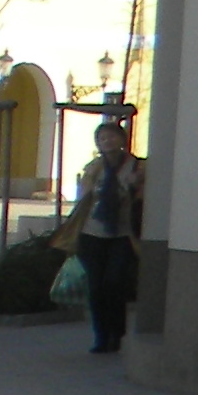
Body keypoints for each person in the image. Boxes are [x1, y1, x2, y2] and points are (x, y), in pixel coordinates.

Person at [68, 112, 146, 357]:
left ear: (122, 140)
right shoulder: (94, 168)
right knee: (96, 287)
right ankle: (101, 336)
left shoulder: (137, 166)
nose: (107, 141)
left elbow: (143, 198)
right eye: (102, 138)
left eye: (111, 137)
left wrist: (134, 185)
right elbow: (83, 200)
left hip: (123, 234)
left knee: (114, 283)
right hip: (92, 233)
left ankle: (117, 333)